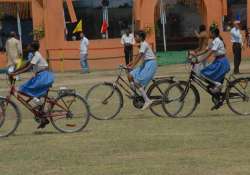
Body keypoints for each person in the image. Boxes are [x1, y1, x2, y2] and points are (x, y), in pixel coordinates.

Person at [10, 41, 55, 129]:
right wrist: (14, 72)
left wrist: (15, 74)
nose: (27, 47)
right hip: (41, 76)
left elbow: (28, 67)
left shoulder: (37, 55)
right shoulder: (34, 55)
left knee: (23, 89)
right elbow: (25, 65)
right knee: (26, 90)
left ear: (33, 48)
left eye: (29, 46)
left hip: (44, 76)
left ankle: (40, 104)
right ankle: (43, 117)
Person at [191, 26, 230, 93]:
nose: (209, 34)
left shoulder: (217, 41)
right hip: (218, 62)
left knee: (204, 73)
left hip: (221, 63)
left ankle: (218, 85)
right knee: (208, 74)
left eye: (210, 33)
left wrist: (199, 60)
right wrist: (195, 54)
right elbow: (205, 50)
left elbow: (210, 53)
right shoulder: (214, 41)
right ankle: (217, 88)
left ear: (214, 34)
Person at [127, 30, 158, 110]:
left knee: (137, 82)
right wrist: (131, 63)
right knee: (130, 75)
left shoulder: (144, 44)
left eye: (136, 36)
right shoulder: (141, 44)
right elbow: (138, 55)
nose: (134, 38)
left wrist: (133, 65)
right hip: (145, 64)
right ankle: (134, 93)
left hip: (150, 64)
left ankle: (147, 101)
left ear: (140, 37)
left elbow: (140, 56)